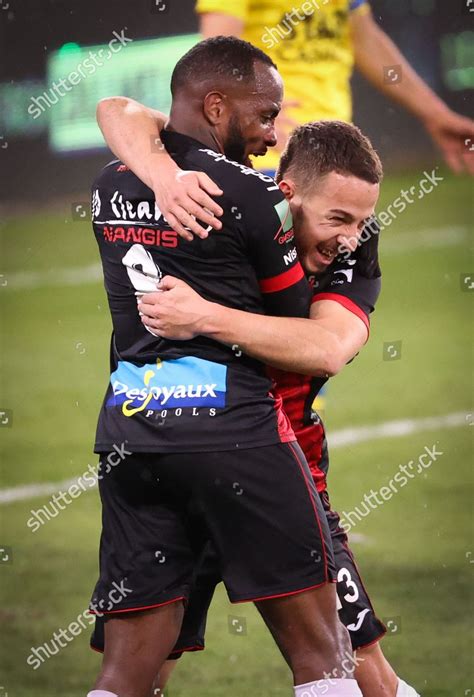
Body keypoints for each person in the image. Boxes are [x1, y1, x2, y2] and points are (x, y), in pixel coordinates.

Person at [94, 100, 419, 695]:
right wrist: (165, 180)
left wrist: (205, 317)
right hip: (200, 449)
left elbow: (326, 349)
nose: (350, 240)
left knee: (363, 665)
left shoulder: (356, 253)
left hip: (283, 464)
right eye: (338, 219)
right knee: (148, 667)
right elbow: (117, 110)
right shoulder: (231, 203)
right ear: (288, 193)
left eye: (362, 223)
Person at [197, 0, 474, 175]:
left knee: (345, 267)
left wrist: (436, 115)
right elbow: (218, 46)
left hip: (336, 156)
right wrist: (249, 106)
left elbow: (364, 38)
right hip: (268, 158)